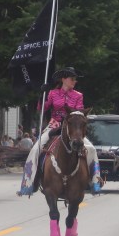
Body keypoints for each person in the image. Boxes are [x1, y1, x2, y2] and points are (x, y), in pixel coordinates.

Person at [18, 67, 103, 196]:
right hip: (54, 125)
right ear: (64, 79)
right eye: (72, 79)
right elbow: (42, 108)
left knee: (91, 149)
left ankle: (95, 181)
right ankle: (30, 182)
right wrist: (42, 95)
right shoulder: (53, 93)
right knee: (36, 148)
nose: (74, 81)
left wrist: (71, 121)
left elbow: (79, 112)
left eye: (75, 79)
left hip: (73, 127)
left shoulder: (78, 95)